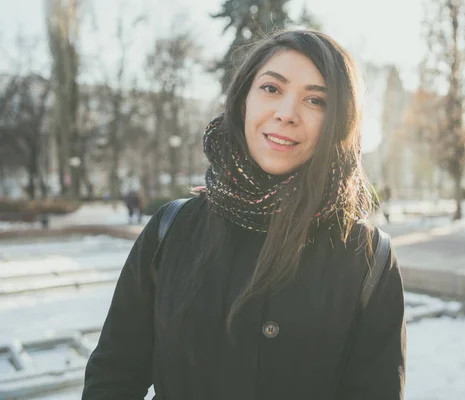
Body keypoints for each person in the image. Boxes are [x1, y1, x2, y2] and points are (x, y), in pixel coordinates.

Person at [83, 29, 406, 400]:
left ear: (340, 123)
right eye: (271, 89)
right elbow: (113, 377)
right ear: (242, 101)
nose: (287, 114)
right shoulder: (171, 230)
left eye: (316, 100)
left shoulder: (369, 258)